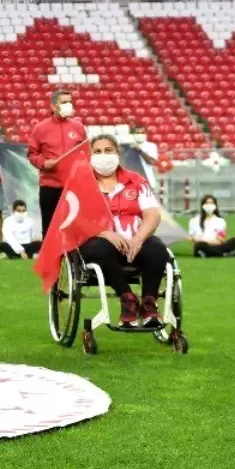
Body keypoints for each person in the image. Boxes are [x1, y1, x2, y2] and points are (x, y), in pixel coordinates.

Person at [77, 135, 169, 327]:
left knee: (157, 248)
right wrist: (104, 233)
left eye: (108, 150)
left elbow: (153, 214)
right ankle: (127, 299)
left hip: (135, 243)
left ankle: (149, 303)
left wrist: (138, 239)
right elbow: (76, 218)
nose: (104, 155)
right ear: (90, 156)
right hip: (102, 245)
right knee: (96, 248)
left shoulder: (136, 181)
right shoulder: (82, 184)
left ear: (117, 153)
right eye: (98, 151)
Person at [28, 89, 88, 236]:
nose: (69, 105)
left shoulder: (78, 127)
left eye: (70, 102)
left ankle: (75, 259)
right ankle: (51, 259)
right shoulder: (40, 128)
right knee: (49, 230)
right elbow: (32, 154)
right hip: (50, 187)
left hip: (74, 187)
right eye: (64, 102)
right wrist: (43, 163)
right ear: (54, 106)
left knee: (75, 228)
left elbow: (86, 153)